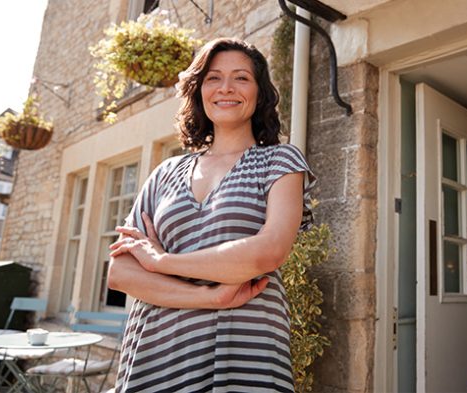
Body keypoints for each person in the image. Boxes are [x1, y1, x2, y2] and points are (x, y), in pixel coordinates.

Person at [106, 37, 315, 393]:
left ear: (260, 92)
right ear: (199, 90)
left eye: (241, 78)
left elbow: (268, 251)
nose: (226, 88)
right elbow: (121, 272)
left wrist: (160, 261)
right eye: (213, 78)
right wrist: (209, 298)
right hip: (156, 351)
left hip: (244, 345)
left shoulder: (280, 162)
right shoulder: (164, 173)